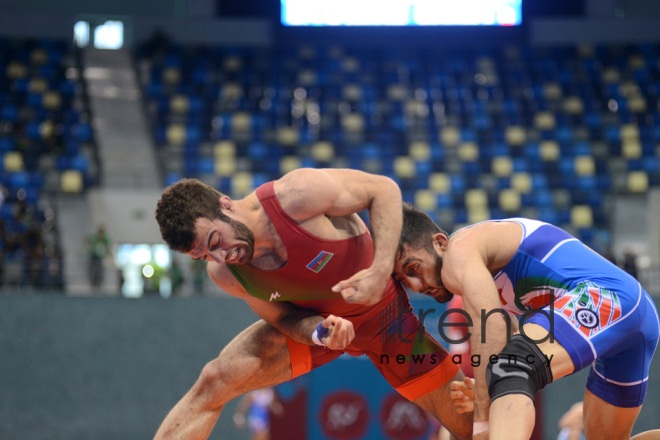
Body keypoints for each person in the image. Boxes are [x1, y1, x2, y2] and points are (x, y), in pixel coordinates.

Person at [154, 169, 472, 440]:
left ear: (226, 206)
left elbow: (383, 189)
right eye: (205, 255)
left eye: (215, 241)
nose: (222, 256)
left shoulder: (296, 196)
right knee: (214, 380)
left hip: (387, 319)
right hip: (320, 324)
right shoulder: (225, 274)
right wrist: (319, 333)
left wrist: (379, 270)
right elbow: (284, 319)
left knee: (471, 426)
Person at [393, 206, 660, 440]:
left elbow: (495, 334)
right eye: (405, 281)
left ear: (440, 242)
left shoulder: (458, 254)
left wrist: (483, 421)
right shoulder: (482, 263)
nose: (416, 286)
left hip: (609, 297)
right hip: (632, 313)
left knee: (511, 367)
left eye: (414, 268)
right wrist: (490, 392)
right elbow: (515, 340)